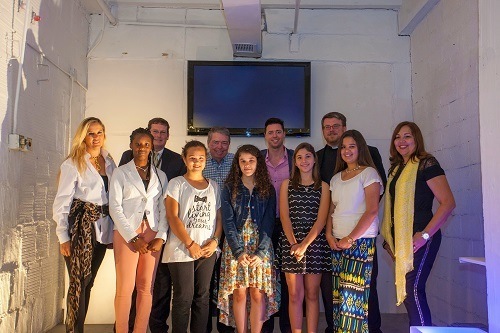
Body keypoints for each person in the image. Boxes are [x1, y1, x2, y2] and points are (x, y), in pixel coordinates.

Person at [380, 121, 455, 326]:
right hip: (403, 242)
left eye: (407, 136)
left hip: (422, 238)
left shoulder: (426, 163)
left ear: (417, 139)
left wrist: (424, 235)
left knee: (413, 290)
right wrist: (390, 241)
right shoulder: (396, 169)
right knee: (409, 294)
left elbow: (448, 203)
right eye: (397, 137)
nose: (401, 141)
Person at [317, 112, 386, 333]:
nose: (347, 150)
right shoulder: (337, 177)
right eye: (344, 147)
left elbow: (373, 210)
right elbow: (332, 209)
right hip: (336, 242)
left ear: (360, 149)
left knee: (354, 299)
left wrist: (350, 238)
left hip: (359, 243)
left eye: (352, 146)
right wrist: (329, 234)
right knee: (339, 298)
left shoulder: (369, 173)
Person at [119, 117, 186, 333]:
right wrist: (130, 234)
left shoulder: (176, 162)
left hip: (158, 230)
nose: (158, 136)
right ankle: (125, 327)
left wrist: (163, 233)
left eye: (162, 132)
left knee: (158, 285)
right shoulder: (126, 159)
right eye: (154, 132)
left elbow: (169, 201)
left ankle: (156, 328)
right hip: (130, 230)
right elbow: (118, 201)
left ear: (167, 135)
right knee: (128, 287)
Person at [53, 117, 116, 333]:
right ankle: (74, 330)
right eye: (91, 133)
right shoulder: (73, 163)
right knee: (79, 283)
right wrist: (63, 237)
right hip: (80, 230)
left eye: (99, 132)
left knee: (89, 282)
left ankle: (77, 328)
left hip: (102, 230)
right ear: (83, 136)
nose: (96, 137)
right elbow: (62, 202)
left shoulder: (109, 161)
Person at [109, 128, 169, 333]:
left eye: (146, 144)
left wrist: (161, 236)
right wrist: (133, 237)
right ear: (131, 145)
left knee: (146, 288)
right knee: (125, 289)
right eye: (138, 144)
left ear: (151, 147)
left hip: (152, 232)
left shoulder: (161, 175)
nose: (142, 148)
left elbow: (164, 207)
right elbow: (114, 207)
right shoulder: (121, 172)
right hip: (127, 234)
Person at [162, 140, 223, 333]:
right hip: (182, 250)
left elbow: (219, 218)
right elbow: (172, 216)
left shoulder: (214, 186)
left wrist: (215, 241)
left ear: (206, 160)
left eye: (201, 158)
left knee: (202, 298)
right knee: (183, 298)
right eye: (192, 158)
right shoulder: (176, 183)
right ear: (184, 159)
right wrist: (190, 244)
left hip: (207, 250)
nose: (197, 162)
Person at [217, 144, 279, 333]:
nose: (247, 165)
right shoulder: (229, 188)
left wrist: (261, 252)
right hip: (236, 246)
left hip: (261, 246)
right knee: (239, 294)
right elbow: (227, 223)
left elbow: (269, 223)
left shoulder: (267, 189)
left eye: (251, 160)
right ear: (237, 163)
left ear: (258, 163)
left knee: (258, 294)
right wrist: (238, 251)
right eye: (242, 161)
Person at [279, 143, 331, 333]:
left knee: (312, 295)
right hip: (291, 244)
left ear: (314, 159)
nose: (304, 161)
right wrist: (294, 244)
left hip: (315, 245)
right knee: (294, 295)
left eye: (308, 156)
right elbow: (284, 216)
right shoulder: (286, 185)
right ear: (295, 161)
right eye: (299, 157)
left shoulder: (324, 187)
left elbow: (321, 220)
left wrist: (305, 245)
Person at [260, 117, 293, 333]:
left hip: (290, 226)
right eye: (270, 132)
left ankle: (288, 327)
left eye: (278, 132)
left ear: (284, 134)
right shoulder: (257, 159)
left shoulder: (295, 158)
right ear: (265, 135)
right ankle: (266, 327)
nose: (275, 136)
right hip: (265, 225)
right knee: (266, 277)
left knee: (288, 279)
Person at [203, 127, 235, 333]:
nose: (220, 146)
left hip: (231, 228)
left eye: (224, 143)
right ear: (208, 143)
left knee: (227, 282)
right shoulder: (199, 161)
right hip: (206, 229)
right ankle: (203, 327)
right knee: (205, 283)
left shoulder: (236, 162)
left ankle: (226, 328)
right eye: (216, 142)